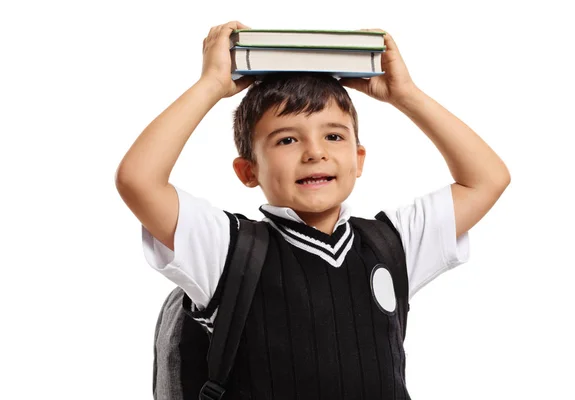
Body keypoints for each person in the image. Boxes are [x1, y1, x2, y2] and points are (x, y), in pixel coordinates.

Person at [116, 20, 510, 400]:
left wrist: (405, 94)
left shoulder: (393, 244)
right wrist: (210, 86)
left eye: (333, 135)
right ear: (248, 170)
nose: (315, 152)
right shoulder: (226, 250)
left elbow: (488, 178)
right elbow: (139, 180)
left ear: (358, 159)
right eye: (287, 140)